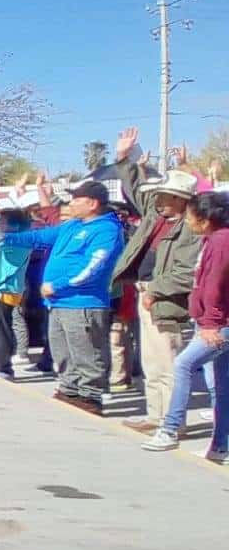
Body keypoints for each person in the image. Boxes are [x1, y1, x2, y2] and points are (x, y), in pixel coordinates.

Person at [0, 180, 125, 415]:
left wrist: (58, 284)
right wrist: (6, 238)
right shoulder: (72, 226)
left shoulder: (107, 230)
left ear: (92, 203)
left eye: (76, 199)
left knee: (86, 352)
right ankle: (69, 389)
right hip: (57, 303)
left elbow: (94, 266)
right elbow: (40, 238)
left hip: (83, 303)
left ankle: (90, 396)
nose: (71, 203)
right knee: (61, 350)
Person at [108, 130, 202, 430]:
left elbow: (187, 273)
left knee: (168, 361)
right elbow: (135, 187)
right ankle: (156, 415)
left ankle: (172, 421)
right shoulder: (156, 215)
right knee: (151, 361)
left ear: (179, 199)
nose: (156, 199)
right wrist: (124, 158)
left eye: (163, 195)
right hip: (145, 291)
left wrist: (156, 291)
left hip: (165, 300)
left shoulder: (191, 229)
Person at [143, 191, 229, 460]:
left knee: (183, 364)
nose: (188, 221)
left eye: (191, 216)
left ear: (205, 219)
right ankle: (220, 444)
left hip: (218, 323)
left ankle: (169, 429)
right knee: (220, 384)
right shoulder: (213, 240)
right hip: (211, 320)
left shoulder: (221, 241)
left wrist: (210, 323)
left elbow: (215, 284)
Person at [0, 208, 34, 378]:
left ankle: (3, 367)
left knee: (3, 328)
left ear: (15, 225)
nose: (0, 226)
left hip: (6, 289)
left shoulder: (19, 240)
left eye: (4, 222)